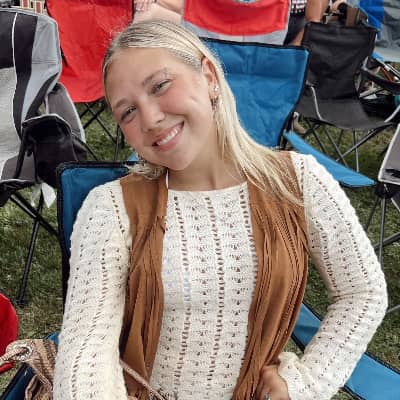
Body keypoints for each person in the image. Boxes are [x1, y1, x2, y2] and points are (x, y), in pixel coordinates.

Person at [54, 20, 387, 400]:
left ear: (209, 77)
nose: (150, 119)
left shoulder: (299, 182)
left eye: (160, 86)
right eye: (128, 111)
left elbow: (363, 291)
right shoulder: (111, 207)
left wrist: (306, 384)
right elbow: (87, 345)